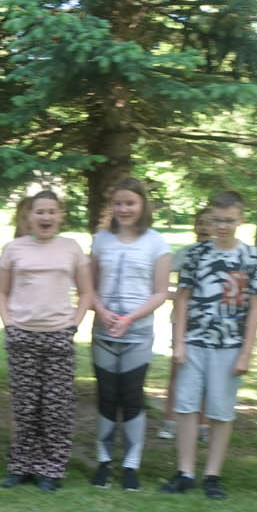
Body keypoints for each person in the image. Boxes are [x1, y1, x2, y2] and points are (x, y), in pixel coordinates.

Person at [159, 191, 257, 499]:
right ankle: (185, 471)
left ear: (240, 219)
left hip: (230, 346)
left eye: (229, 220)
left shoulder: (251, 257)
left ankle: (212, 475)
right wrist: (178, 343)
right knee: (186, 406)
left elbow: (256, 308)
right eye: (217, 220)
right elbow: (182, 299)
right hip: (194, 342)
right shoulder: (196, 254)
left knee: (221, 411)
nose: (222, 226)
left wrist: (246, 352)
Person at [0, 190, 90, 491]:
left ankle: (52, 468)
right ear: (29, 216)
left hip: (59, 336)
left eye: (52, 211)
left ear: (60, 215)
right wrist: (9, 324)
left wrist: (73, 325)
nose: (46, 217)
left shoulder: (71, 248)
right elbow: (2, 292)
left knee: (55, 407)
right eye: (40, 212)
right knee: (25, 406)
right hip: (22, 336)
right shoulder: (14, 248)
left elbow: (86, 293)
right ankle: (21, 466)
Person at [87, 177, 172, 490]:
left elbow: (161, 292)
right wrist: (102, 311)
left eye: (130, 203)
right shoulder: (100, 240)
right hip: (104, 333)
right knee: (107, 396)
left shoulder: (157, 243)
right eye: (118, 203)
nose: (124, 209)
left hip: (137, 334)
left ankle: (131, 465)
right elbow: (89, 287)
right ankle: (104, 461)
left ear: (142, 205)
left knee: (132, 396)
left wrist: (131, 317)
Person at [159, 208, 212, 442]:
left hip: (210, 323)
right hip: (182, 320)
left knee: (208, 375)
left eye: (208, 223)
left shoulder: (221, 255)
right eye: (200, 222)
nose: (204, 227)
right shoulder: (184, 254)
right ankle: (170, 421)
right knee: (177, 371)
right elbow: (162, 279)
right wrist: (172, 295)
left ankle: (204, 424)